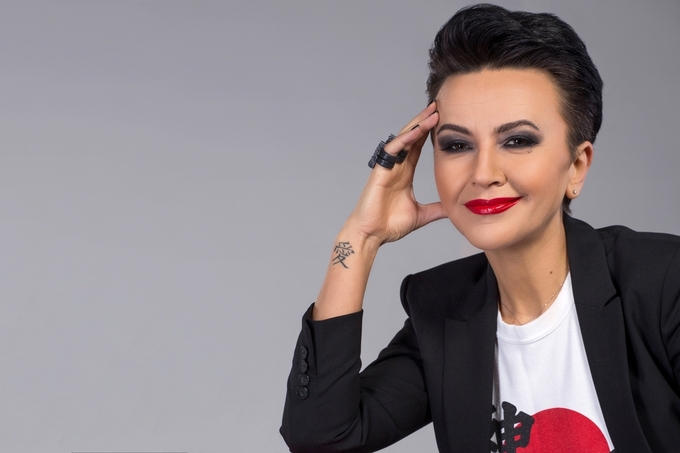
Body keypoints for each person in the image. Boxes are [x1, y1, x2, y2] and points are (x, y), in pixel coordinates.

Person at [280, 4, 680, 452]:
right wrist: (360, 236)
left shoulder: (663, 283)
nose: (483, 173)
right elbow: (320, 438)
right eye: (457, 145)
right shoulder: (445, 312)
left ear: (577, 166)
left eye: (517, 140)